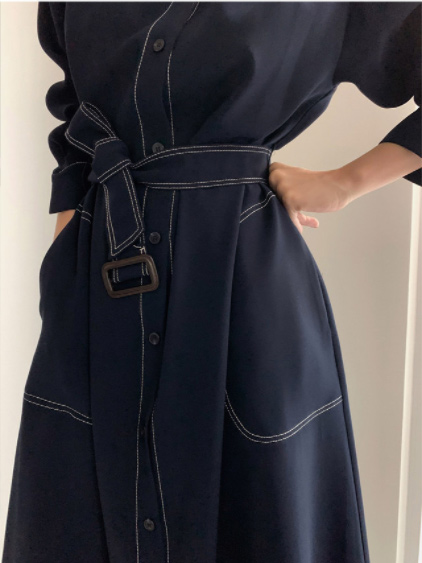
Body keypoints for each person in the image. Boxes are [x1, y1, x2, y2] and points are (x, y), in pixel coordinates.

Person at [2, 2, 421, 562]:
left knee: (260, 511)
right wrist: (61, 278)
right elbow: (76, 129)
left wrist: (345, 183)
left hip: (244, 285)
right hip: (97, 279)